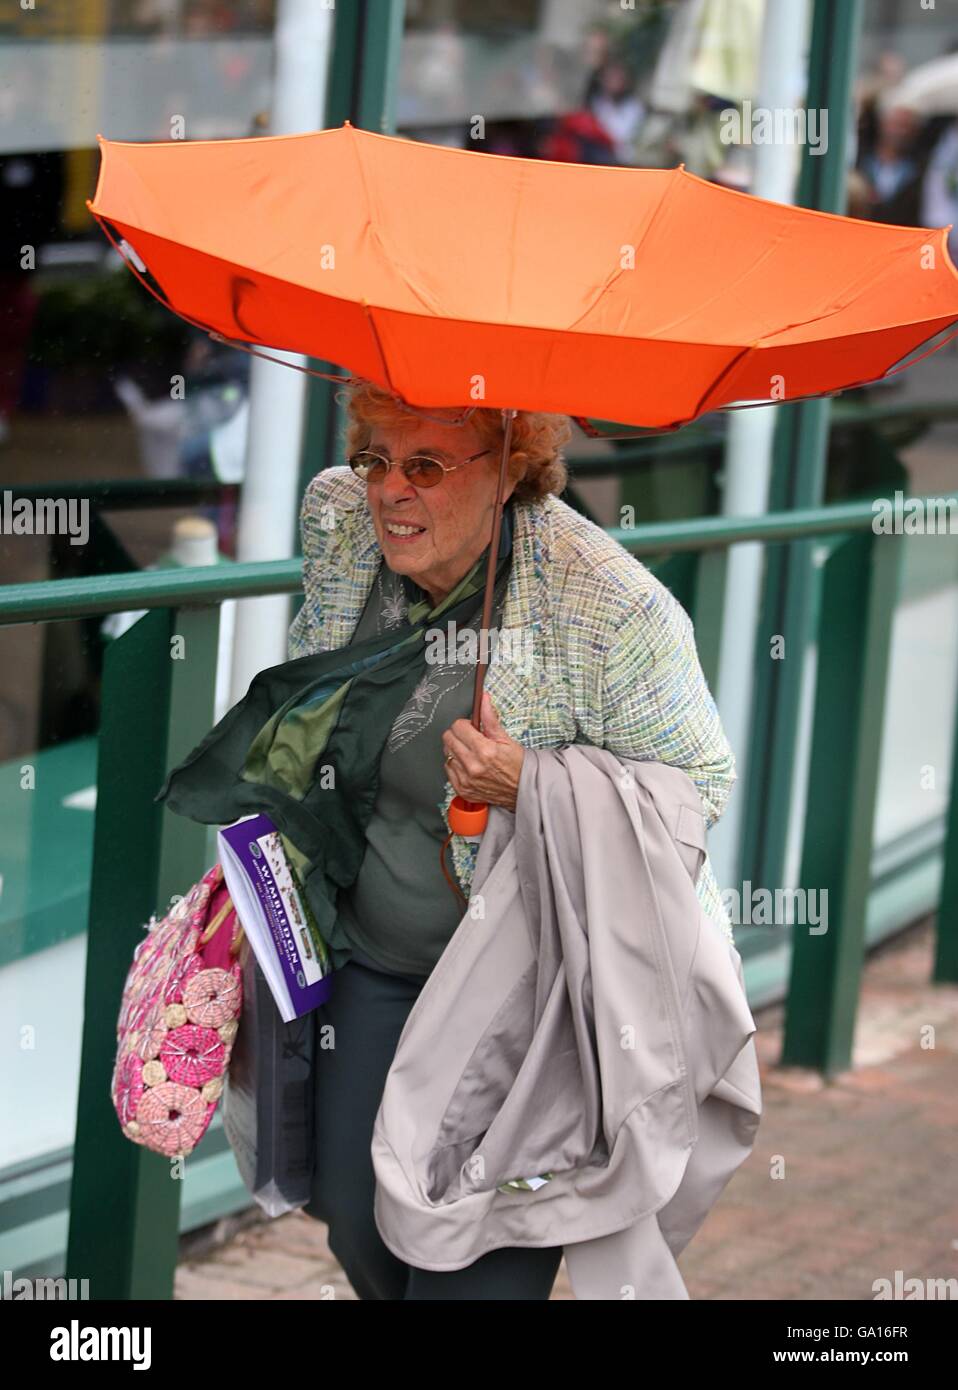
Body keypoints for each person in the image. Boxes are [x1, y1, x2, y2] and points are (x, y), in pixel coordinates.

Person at [289, 381, 737, 1300]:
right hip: (374, 966)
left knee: (472, 1268)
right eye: (377, 457)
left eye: (426, 465)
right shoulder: (339, 524)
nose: (388, 489)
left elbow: (700, 792)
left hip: (526, 1001)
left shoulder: (610, 607)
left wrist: (529, 783)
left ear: (508, 472)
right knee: (354, 1214)